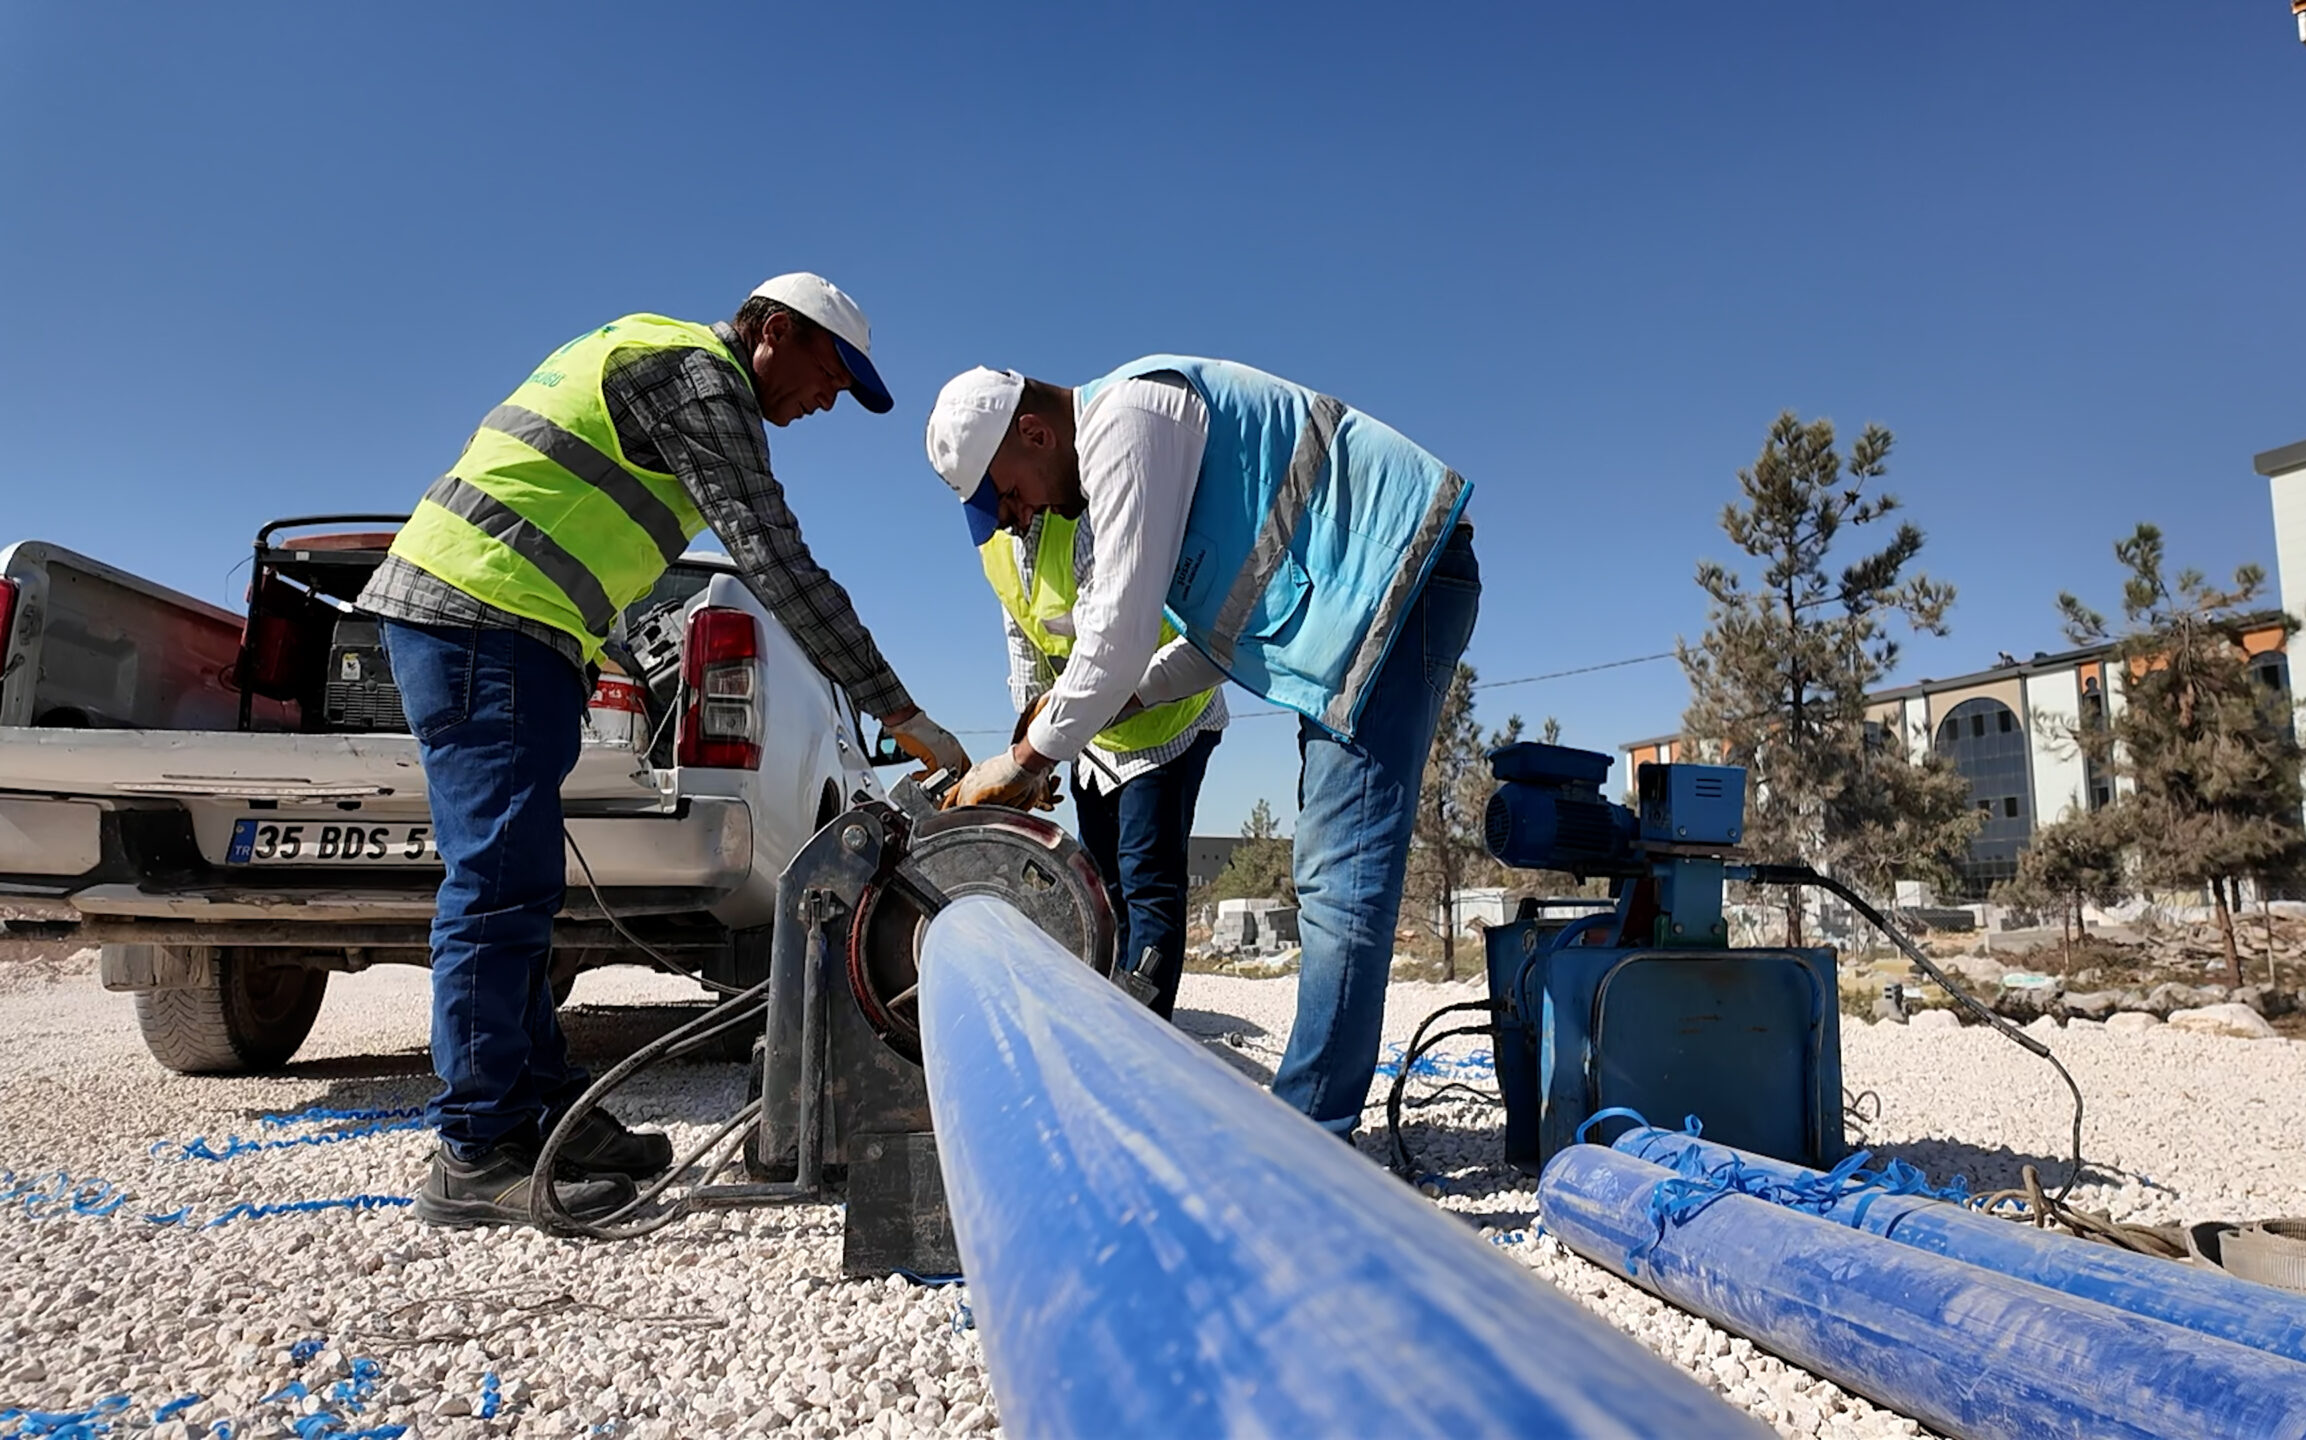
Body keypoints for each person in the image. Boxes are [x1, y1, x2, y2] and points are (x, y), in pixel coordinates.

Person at [357, 274, 970, 1227]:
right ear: (774, 331)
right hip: (481, 615)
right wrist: (898, 709)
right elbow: (773, 557)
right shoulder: (697, 375)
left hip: (514, 626)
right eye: (830, 375)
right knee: (498, 883)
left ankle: (541, 1111)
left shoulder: (658, 353)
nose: (827, 402)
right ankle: (475, 1148)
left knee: (524, 882)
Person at [924, 359, 1477, 1137]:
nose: (1018, 518)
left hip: (1395, 579)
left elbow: (1116, 638)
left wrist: (1018, 765)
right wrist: (1129, 696)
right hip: (1358, 608)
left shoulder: (1128, 422)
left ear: (1035, 434)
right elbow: (1218, 641)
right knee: (1331, 872)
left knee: (1341, 877)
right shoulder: (1137, 455)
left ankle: (1309, 1140)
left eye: (1009, 493)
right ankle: (1315, 1121)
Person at [976, 510, 1226, 1019]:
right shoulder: (995, 544)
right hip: (1091, 734)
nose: (1006, 511)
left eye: (1008, 494)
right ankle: (1112, 1010)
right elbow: (1024, 646)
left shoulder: (1086, 513)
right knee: (1102, 883)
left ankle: (1146, 1031)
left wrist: (1034, 755)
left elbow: (1108, 648)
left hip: (1164, 722)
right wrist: (1031, 753)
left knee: (1147, 879)